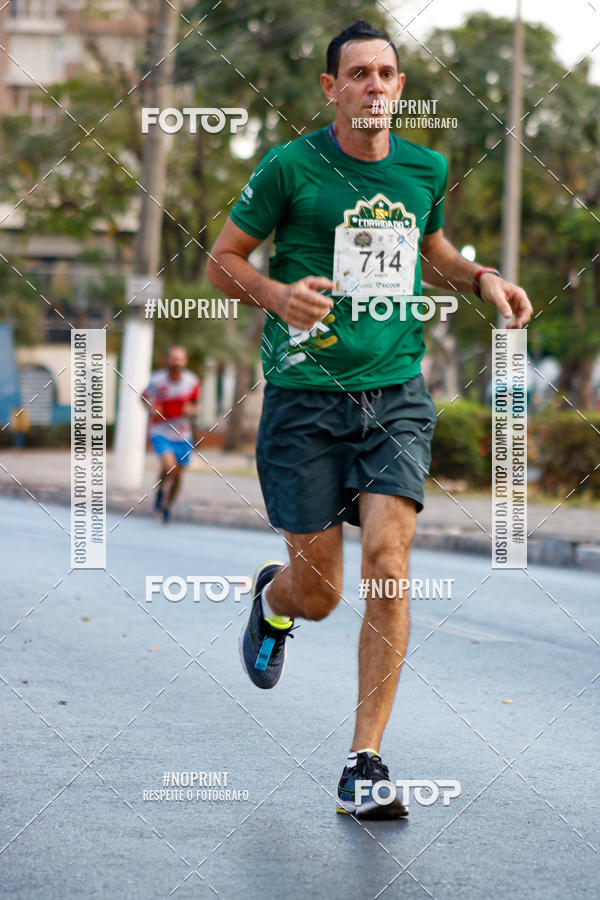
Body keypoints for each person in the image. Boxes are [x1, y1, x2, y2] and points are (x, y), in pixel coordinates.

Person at [207, 20, 532, 818]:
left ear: (400, 87)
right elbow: (222, 259)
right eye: (359, 74)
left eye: (387, 73)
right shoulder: (290, 167)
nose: (375, 86)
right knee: (320, 593)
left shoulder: (426, 166)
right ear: (332, 89)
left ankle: (365, 762)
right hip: (303, 400)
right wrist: (279, 296)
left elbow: (433, 248)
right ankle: (276, 602)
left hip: (394, 394)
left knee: (389, 558)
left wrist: (481, 276)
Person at [142, 346, 200, 524]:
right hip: (161, 431)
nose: (176, 362)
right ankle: (160, 491)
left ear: (185, 362)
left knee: (178, 474)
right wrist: (150, 409)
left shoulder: (191, 381)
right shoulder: (157, 380)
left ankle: (167, 506)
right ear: (168, 360)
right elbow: (144, 397)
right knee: (170, 467)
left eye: (180, 359)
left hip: (183, 434)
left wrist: (191, 410)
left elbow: (196, 404)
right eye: (173, 359)